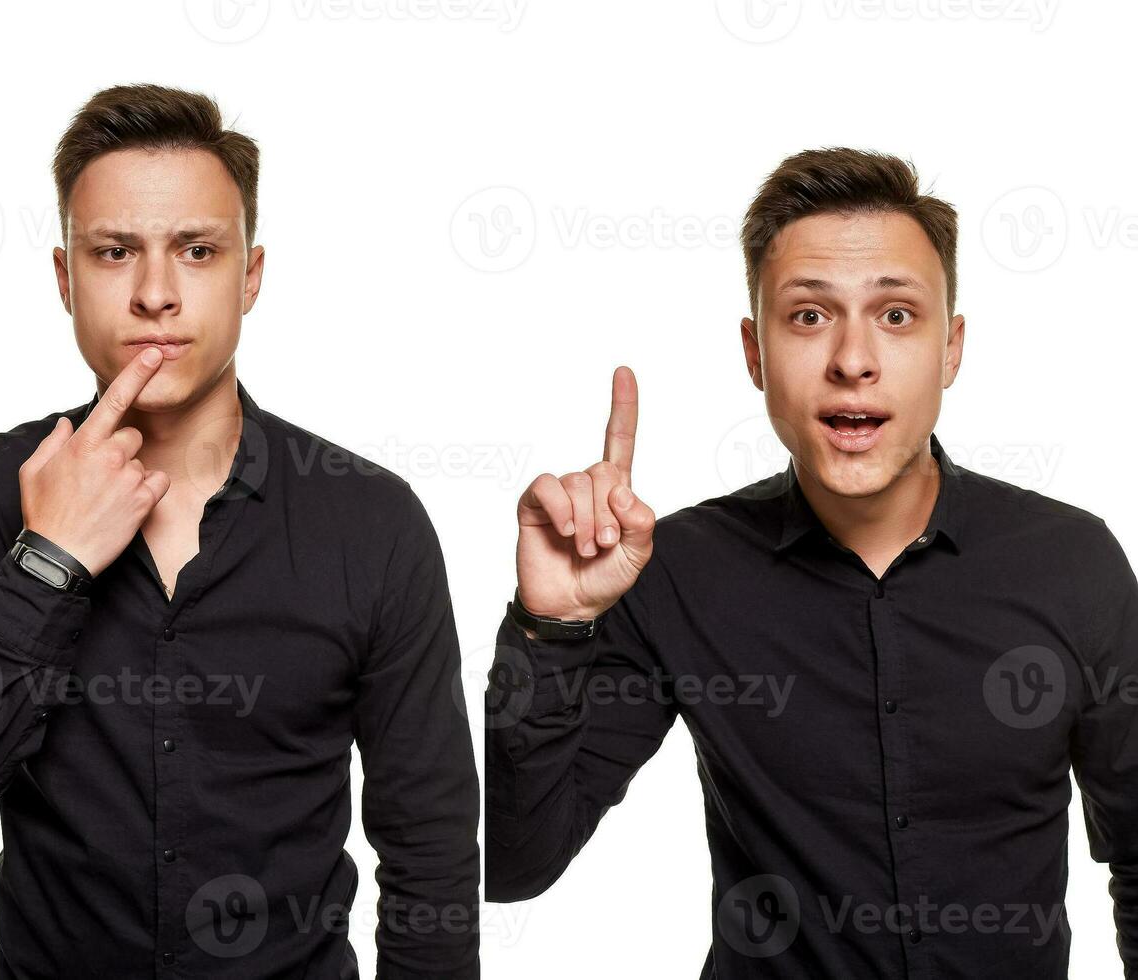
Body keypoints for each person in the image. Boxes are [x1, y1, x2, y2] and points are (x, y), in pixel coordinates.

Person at [0, 83, 479, 980]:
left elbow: (428, 849)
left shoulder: (371, 521)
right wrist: (50, 562)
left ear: (251, 275)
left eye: (196, 251)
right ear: (64, 278)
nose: (155, 294)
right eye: (115, 252)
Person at [485, 147, 1138, 978]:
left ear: (952, 348)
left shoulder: (1070, 561)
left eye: (896, 315)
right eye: (808, 317)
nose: (852, 359)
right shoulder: (674, 569)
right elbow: (511, 866)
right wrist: (551, 629)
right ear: (754, 355)